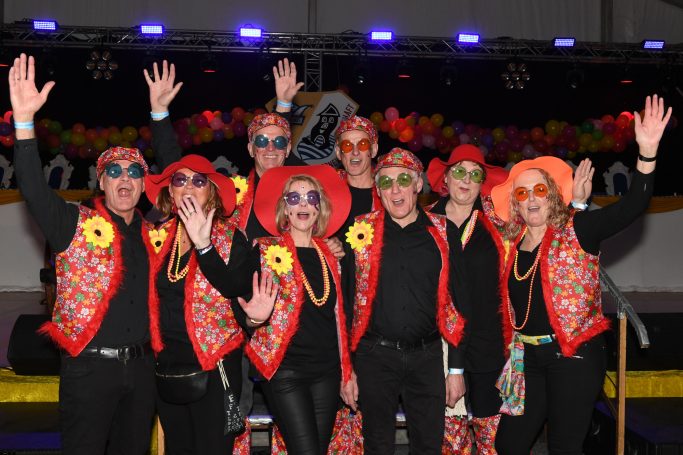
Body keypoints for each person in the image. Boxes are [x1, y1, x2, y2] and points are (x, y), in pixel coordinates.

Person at [491, 95, 672, 455]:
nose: (531, 198)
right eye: (522, 192)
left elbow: (632, 206)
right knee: (508, 444)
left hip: (573, 357)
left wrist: (647, 152)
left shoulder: (578, 230)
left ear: (552, 196)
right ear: (515, 202)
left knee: (564, 447)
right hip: (526, 359)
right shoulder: (510, 243)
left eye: (539, 190)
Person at [11, 53, 156, 454]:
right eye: (114, 171)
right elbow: (34, 190)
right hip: (89, 369)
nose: (124, 178)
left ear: (144, 185)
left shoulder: (157, 235)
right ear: (101, 182)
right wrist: (24, 122)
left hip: (143, 370)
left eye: (134, 172)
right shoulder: (73, 224)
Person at [342, 148, 465, 455]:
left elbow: (458, 303)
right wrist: (347, 369)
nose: (395, 189)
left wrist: (456, 370)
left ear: (418, 184)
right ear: (378, 190)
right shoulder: (361, 231)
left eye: (403, 180)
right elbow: (344, 305)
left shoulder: (444, 231)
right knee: (377, 446)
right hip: (375, 357)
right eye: (386, 182)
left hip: (427, 357)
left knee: (428, 445)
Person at [144, 154, 256, 454]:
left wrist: (204, 246)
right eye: (180, 180)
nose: (189, 186)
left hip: (215, 365)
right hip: (167, 364)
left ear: (211, 192)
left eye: (199, 180)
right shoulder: (156, 236)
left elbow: (237, 288)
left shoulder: (230, 238)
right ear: (170, 191)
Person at [241, 165, 353, 454]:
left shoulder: (332, 255)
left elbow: (340, 319)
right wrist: (253, 318)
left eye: (311, 197)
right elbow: (243, 309)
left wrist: (347, 371)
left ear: (319, 208)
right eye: (294, 198)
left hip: (326, 372)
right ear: (285, 209)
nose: (303, 204)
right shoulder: (264, 251)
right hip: (285, 371)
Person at [425, 144, 509, 453]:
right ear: (446, 178)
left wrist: (578, 204)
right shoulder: (423, 222)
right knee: (448, 432)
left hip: (488, 339)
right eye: (459, 171)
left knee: (491, 430)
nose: (466, 179)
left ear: (482, 183)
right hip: (438, 343)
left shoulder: (500, 223)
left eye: (475, 174)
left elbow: (545, 231)